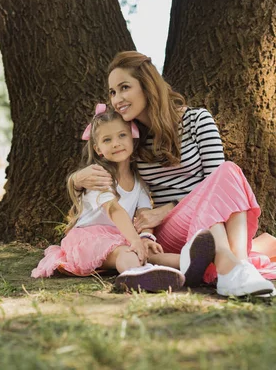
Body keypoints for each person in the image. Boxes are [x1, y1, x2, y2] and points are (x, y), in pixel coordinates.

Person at [71, 51, 276, 297]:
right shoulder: (131, 140)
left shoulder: (198, 121)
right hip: (171, 233)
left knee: (229, 171)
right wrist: (75, 179)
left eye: (124, 88)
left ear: (147, 86)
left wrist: (165, 209)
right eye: (112, 92)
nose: (117, 99)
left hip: (208, 225)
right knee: (226, 177)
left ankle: (237, 266)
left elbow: (216, 188)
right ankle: (230, 268)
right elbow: (107, 171)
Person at [32, 104, 195, 292]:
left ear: (133, 139)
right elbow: (114, 210)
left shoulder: (139, 181)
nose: (116, 143)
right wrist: (134, 240)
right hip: (90, 239)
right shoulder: (98, 176)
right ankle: (138, 276)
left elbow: (144, 215)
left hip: (122, 236)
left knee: (149, 251)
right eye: (107, 140)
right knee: (126, 252)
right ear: (98, 149)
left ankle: (195, 264)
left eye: (122, 135)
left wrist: (145, 237)